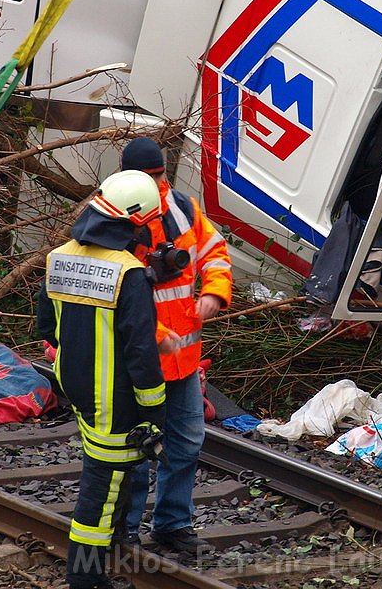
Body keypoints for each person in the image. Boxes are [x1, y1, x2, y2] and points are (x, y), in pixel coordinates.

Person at [36, 170, 167, 589]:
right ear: (132, 221)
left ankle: (97, 571)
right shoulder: (128, 274)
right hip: (117, 401)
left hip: (78, 388)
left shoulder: (59, 257)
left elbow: (48, 329)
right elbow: (141, 351)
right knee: (102, 492)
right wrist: (153, 409)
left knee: (108, 482)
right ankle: (84, 579)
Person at [120, 137, 233, 554]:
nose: (156, 184)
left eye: (159, 176)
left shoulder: (182, 208)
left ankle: (171, 525)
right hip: (137, 363)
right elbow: (109, 297)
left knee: (185, 444)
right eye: (148, 178)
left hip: (182, 363)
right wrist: (153, 339)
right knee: (132, 450)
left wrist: (215, 292)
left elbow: (215, 252)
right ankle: (125, 530)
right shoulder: (113, 218)